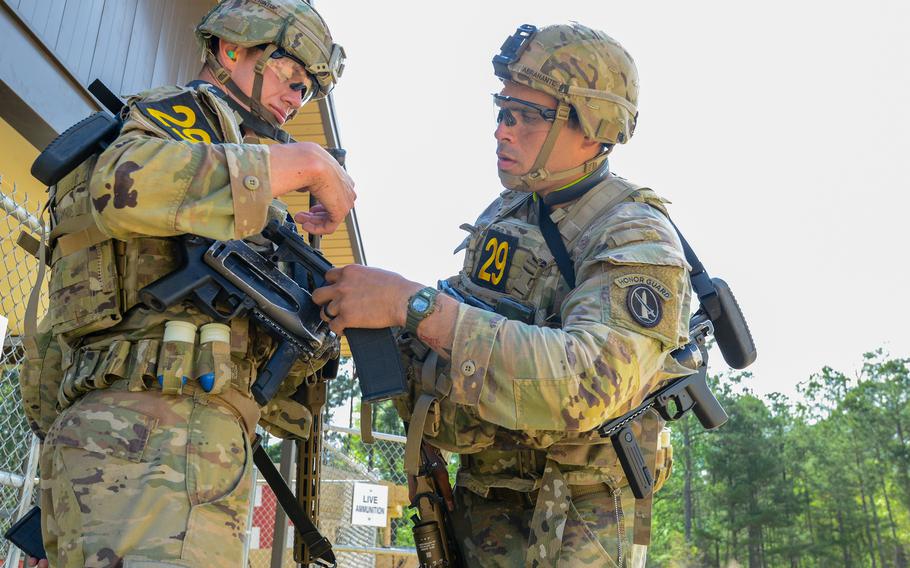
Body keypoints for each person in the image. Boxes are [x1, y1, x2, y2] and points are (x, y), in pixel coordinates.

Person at [312, 23, 691, 567]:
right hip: (484, 502)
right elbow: (467, 324)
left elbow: (587, 383)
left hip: (571, 521)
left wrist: (413, 305)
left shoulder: (633, 234)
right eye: (501, 109)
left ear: (592, 126)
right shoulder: (510, 213)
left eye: (527, 116)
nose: (501, 130)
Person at [18, 0, 353, 566]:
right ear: (232, 50)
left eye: (308, 92)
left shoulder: (239, 176)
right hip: (158, 447)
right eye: (291, 78)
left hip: (139, 446)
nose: (296, 100)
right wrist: (310, 163)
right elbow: (121, 185)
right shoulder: (184, 123)